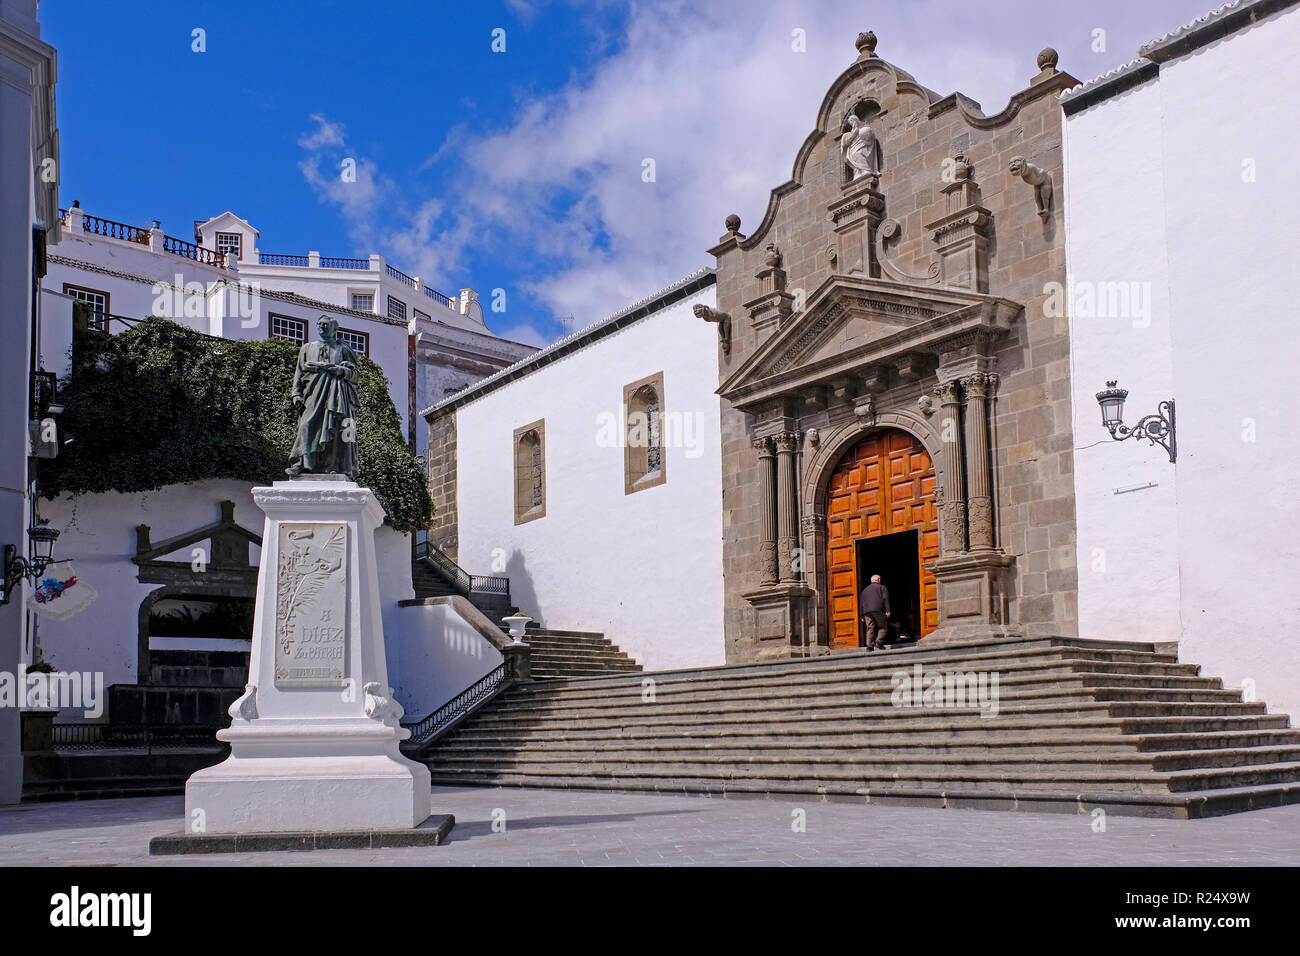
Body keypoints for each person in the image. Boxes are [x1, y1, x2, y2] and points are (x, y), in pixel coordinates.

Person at [285, 315, 360, 478]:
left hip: (337, 394)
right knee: (306, 425)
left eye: (325, 325)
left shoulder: (343, 349)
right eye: (319, 324)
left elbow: (355, 375)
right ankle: (306, 464)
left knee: (336, 428)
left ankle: (333, 465)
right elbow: (299, 373)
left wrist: (341, 370)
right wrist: (296, 393)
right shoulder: (306, 348)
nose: (321, 327)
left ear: (335, 329)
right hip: (312, 393)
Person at [859, 573, 891, 651]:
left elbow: (861, 602)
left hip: (866, 612)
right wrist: (888, 610)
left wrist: (861, 615)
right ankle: (879, 642)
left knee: (870, 627)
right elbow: (886, 599)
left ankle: (869, 646)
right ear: (879, 580)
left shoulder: (865, 590)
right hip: (878, 609)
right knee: (883, 626)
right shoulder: (882, 587)